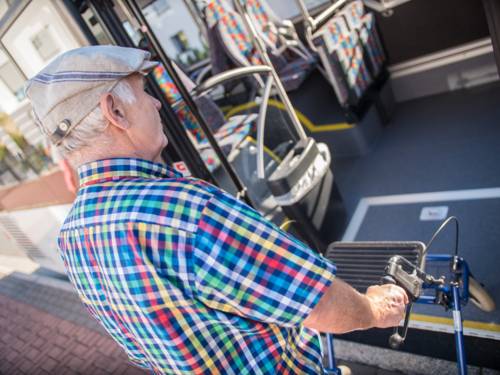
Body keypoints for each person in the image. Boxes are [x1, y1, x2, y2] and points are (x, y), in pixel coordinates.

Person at [25, 45, 408, 374]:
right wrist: (374, 308)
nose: (157, 102)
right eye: (144, 91)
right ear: (116, 112)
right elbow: (319, 304)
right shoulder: (189, 210)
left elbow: (141, 349)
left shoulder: (71, 237)